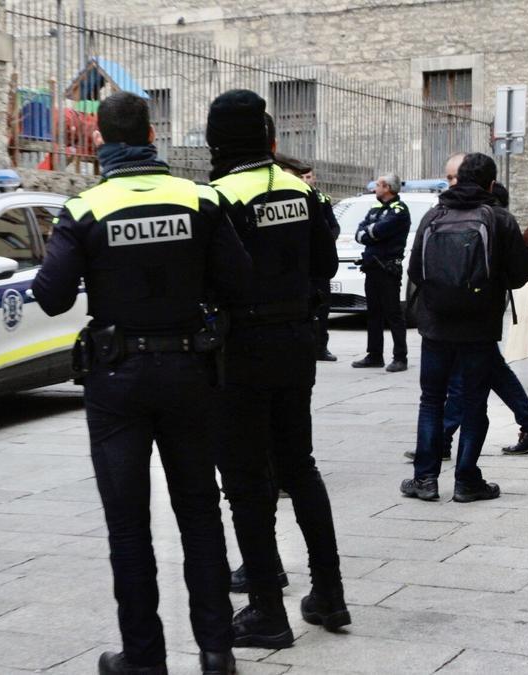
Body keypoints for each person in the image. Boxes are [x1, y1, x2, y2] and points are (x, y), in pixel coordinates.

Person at [32, 91, 251, 674]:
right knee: (200, 511)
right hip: (188, 371)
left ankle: (144, 659)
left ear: (101, 141)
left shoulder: (84, 209)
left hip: (117, 378)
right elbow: (238, 279)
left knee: (128, 524)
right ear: (152, 135)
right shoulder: (200, 199)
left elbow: (51, 297)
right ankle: (216, 652)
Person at [205, 89, 347, 648]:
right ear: (269, 138)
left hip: (240, 349)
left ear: (219, 142)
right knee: (299, 467)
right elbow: (327, 263)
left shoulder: (216, 198)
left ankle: (266, 608)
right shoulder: (302, 191)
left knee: (244, 479)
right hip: (296, 342)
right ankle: (329, 593)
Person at [400, 153, 528, 502]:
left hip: (436, 326)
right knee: (475, 403)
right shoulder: (500, 219)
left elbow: (415, 271)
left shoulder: (434, 214)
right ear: (491, 184)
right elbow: (520, 276)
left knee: (431, 401)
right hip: (479, 327)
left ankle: (425, 479)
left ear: (456, 180)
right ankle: (466, 481)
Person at [276, 153, 341, 362]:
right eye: (301, 177)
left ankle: (321, 347)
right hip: (298, 265)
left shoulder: (320, 199)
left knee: (322, 308)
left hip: (317, 262)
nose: (305, 180)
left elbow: (332, 226)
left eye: (308, 177)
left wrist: (324, 241)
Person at [352, 173, 410, 372]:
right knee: (373, 312)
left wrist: (369, 233)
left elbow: (378, 232)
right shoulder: (376, 208)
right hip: (372, 267)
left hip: (388, 268)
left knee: (393, 313)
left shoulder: (399, 210)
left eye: (377, 185)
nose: (374, 188)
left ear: (387, 188)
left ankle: (400, 357)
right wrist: (369, 233)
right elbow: (359, 232)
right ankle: (374, 354)